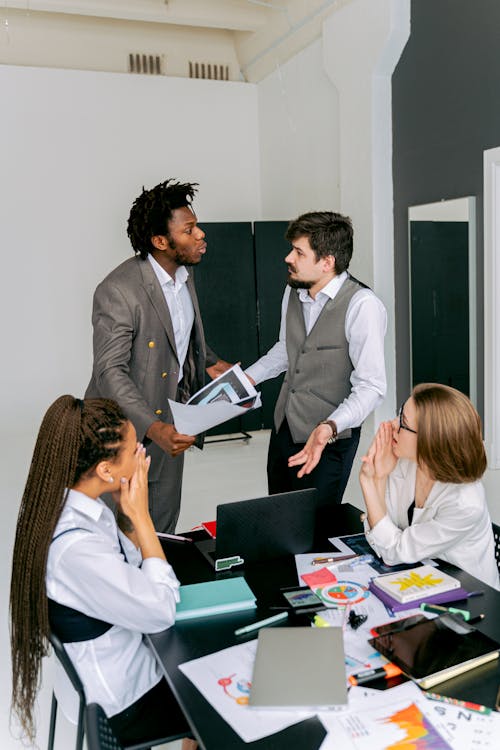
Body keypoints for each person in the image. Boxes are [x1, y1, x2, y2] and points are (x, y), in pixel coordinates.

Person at [10, 395, 196, 749]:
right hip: (123, 700)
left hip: (115, 665)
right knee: (218, 697)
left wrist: (127, 511)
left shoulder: (75, 507)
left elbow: (132, 566)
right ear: (105, 470)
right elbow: (160, 609)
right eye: (133, 448)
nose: (143, 453)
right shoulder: (77, 550)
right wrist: (142, 516)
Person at [86, 179, 230, 533]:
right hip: (123, 432)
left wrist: (213, 363)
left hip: (171, 421)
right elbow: (110, 371)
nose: (200, 235)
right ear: (160, 241)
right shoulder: (118, 291)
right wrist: (154, 426)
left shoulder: (184, 275)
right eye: (190, 229)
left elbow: (175, 334)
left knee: (162, 524)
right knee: (121, 530)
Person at [245, 211, 387, 505]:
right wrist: (246, 379)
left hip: (330, 437)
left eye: (298, 252)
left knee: (316, 526)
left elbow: (371, 387)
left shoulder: (362, 306)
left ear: (327, 262)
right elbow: (286, 349)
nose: (288, 258)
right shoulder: (293, 291)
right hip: (285, 426)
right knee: (278, 515)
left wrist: (331, 426)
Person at [360, 383, 500, 589]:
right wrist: (379, 477)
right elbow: (381, 532)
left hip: (469, 596)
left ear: (431, 440)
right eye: (399, 414)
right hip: (424, 577)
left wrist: (368, 481)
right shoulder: (406, 463)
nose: (392, 424)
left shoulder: (465, 503)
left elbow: (391, 550)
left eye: (403, 422)